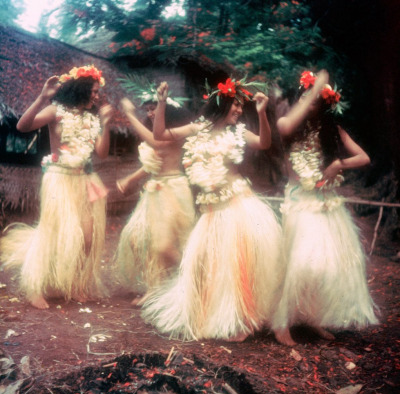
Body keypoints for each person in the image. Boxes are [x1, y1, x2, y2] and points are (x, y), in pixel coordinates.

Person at [142, 78, 283, 342]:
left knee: (239, 265)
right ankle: (210, 313)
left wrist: (262, 114)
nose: (239, 111)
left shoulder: (238, 133)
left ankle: (245, 321)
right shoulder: (198, 129)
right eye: (235, 105)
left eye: (241, 106)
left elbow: (264, 143)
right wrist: (161, 104)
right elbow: (159, 134)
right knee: (203, 265)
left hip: (237, 206)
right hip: (210, 212)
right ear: (221, 104)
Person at [272, 70, 379, 346]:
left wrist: (338, 164)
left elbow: (364, 158)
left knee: (326, 267)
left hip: (324, 203)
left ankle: (313, 317)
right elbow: (284, 126)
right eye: (308, 99)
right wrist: (314, 88)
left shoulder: (333, 131)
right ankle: (281, 323)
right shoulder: (289, 125)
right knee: (300, 264)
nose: (312, 104)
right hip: (299, 202)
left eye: (318, 100)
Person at [0, 65, 113, 309]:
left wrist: (105, 124)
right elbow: (22, 126)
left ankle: (75, 285)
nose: (97, 96)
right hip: (59, 178)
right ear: (81, 89)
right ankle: (35, 287)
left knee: (87, 237)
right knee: (53, 234)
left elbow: (102, 153)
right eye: (93, 91)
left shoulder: (91, 119)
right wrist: (42, 97)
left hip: (83, 180)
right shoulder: (56, 110)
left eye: (97, 92)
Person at [116, 95, 196, 305]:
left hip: (173, 189)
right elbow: (152, 165)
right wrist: (130, 179)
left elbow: (156, 142)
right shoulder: (158, 133)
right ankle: (155, 287)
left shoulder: (175, 131)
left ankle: (194, 279)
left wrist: (130, 115)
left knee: (165, 246)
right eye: (149, 110)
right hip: (154, 191)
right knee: (140, 241)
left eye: (154, 108)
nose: (150, 113)